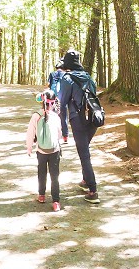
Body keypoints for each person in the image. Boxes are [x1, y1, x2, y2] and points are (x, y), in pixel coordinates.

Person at [58, 49, 100, 203]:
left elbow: (62, 104)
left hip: (79, 120)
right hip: (94, 119)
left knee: (84, 155)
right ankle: (85, 180)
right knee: (85, 150)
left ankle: (93, 191)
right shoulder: (88, 77)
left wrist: (63, 129)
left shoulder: (67, 78)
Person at [26, 89, 63, 212]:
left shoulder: (36, 116)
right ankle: (56, 201)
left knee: (41, 173)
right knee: (55, 175)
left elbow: (30, 133)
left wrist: (29, 147)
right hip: (54, 150)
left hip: (41, 151)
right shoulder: (56, 116)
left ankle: (41, 195)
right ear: (53, 103)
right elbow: (59, 134)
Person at [48, 61, 69, 142]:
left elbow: (49, 85)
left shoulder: (52, 74)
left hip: (53, 98)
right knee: (64, 117)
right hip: (63, 98)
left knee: (53, 116)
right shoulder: (65, 75)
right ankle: (65, 136)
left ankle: (55, 135)